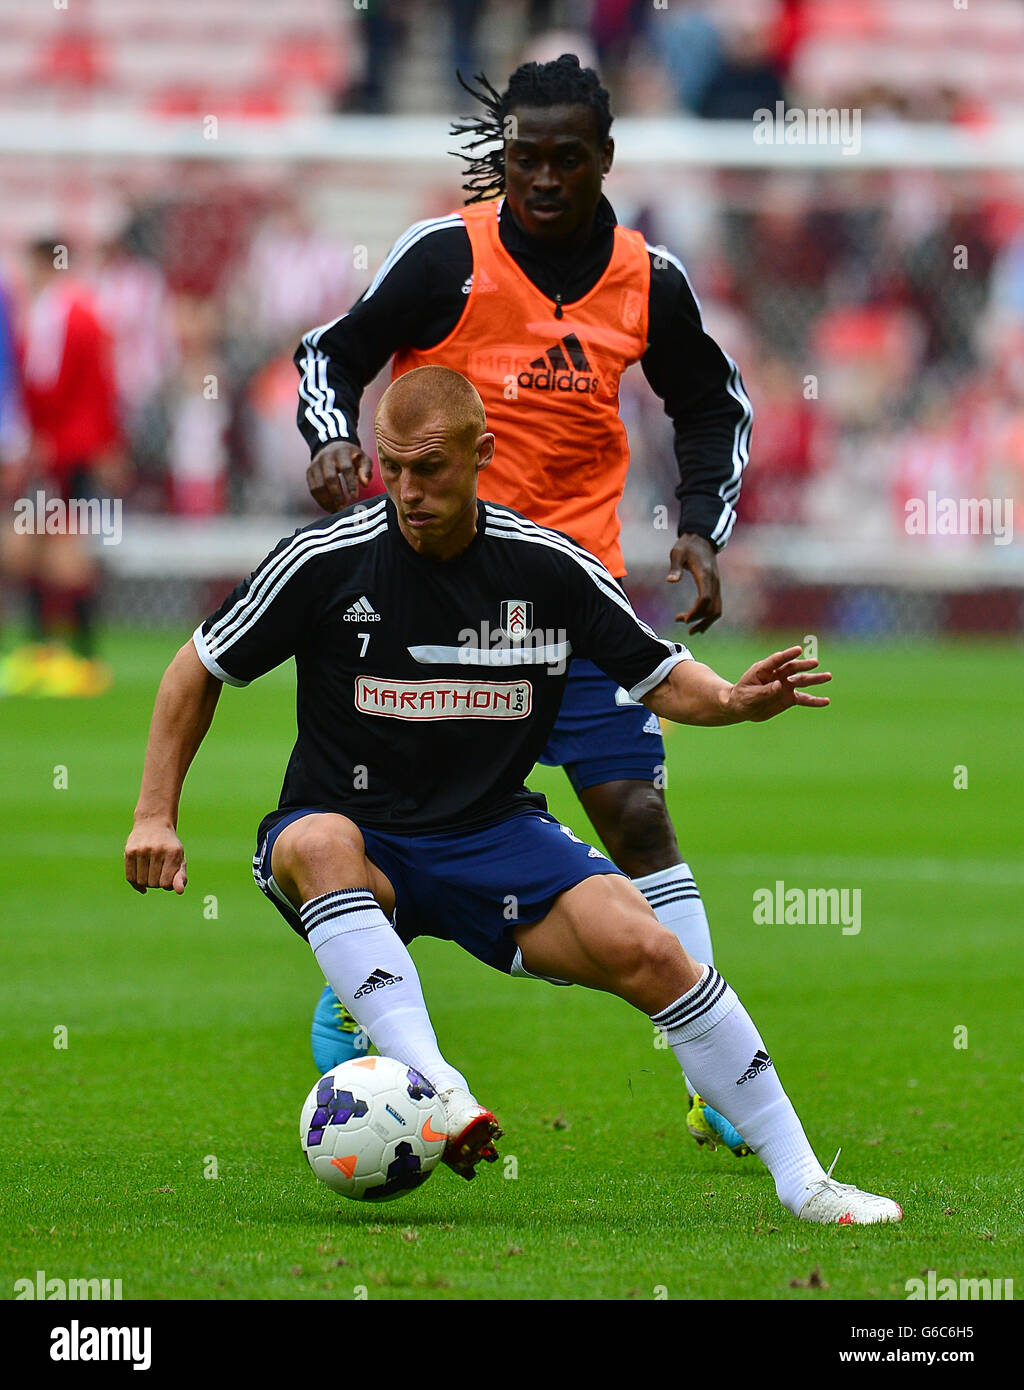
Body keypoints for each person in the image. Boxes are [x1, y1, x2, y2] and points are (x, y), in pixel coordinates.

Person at [125, 366, 901, 1224]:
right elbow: (196, 668)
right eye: (392, 467)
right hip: (354, 834)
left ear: (482, 453)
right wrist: (155, 815)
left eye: (431, 469)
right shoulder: (325, 559)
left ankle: (804, 1179)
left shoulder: (549, 567)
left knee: (647, 947)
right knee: (315, 844)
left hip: (492, 835)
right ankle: (439, 1086)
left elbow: (656, 673)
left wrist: (732, 701)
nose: (408, 491)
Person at [295, 56, 755, 1155]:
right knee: (419, 825)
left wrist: (698, 521)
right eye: (522, 159)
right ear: (501, 159)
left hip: (570, 593)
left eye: (564, 159)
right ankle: (365, 985)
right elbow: (332, 351)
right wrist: (334, 439)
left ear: (605, 161)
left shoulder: (649, 277)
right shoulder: (447, 253)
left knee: (634, 815)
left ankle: (714, 1082)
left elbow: (709, 401)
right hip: (435, 600)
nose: (540, 179)